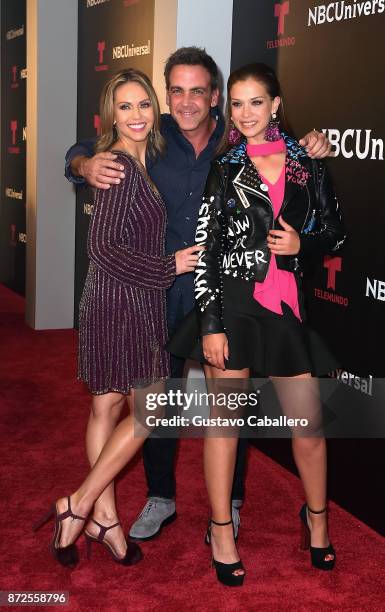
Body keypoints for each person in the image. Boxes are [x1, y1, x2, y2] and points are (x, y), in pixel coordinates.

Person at [65, 47, 333, 543]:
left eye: (199, 91)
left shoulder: (239, 141)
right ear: (167, 95)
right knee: (155, 405)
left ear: (216, 96)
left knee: (230, 405)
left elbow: (289, 157)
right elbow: (86, 147)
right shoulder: (152, 130)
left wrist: (315, 144)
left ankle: (228, 505)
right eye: (177, 90)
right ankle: (160, 496)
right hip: (156, 290)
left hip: (229, 296)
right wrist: (82, 165)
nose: (187, 101)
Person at [167, 62, 346, 586]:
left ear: (275, 106)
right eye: (238, 103)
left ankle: (316, 522)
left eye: (256, 102)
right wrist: (211, 325)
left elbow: (334, 232)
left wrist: (301, 245)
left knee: (308, 429)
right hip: (236, 305)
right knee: (224, 428)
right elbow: (207, 252)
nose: (246, 114)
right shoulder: (224, 167)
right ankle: (222, 529)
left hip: (286, 307)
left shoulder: (307, 163)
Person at [34, 68, 200, 567]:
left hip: (124, 299)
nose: (136, 116)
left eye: (143, 105)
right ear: (111, 114)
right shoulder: (118, 167)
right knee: (148, 412)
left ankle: (102, 519)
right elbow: (103, 249)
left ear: (156, 108)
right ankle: (81, 503)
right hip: (122, 300)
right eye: (124, 107)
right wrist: (169, 265)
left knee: (106, 408)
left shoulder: (142, 158)